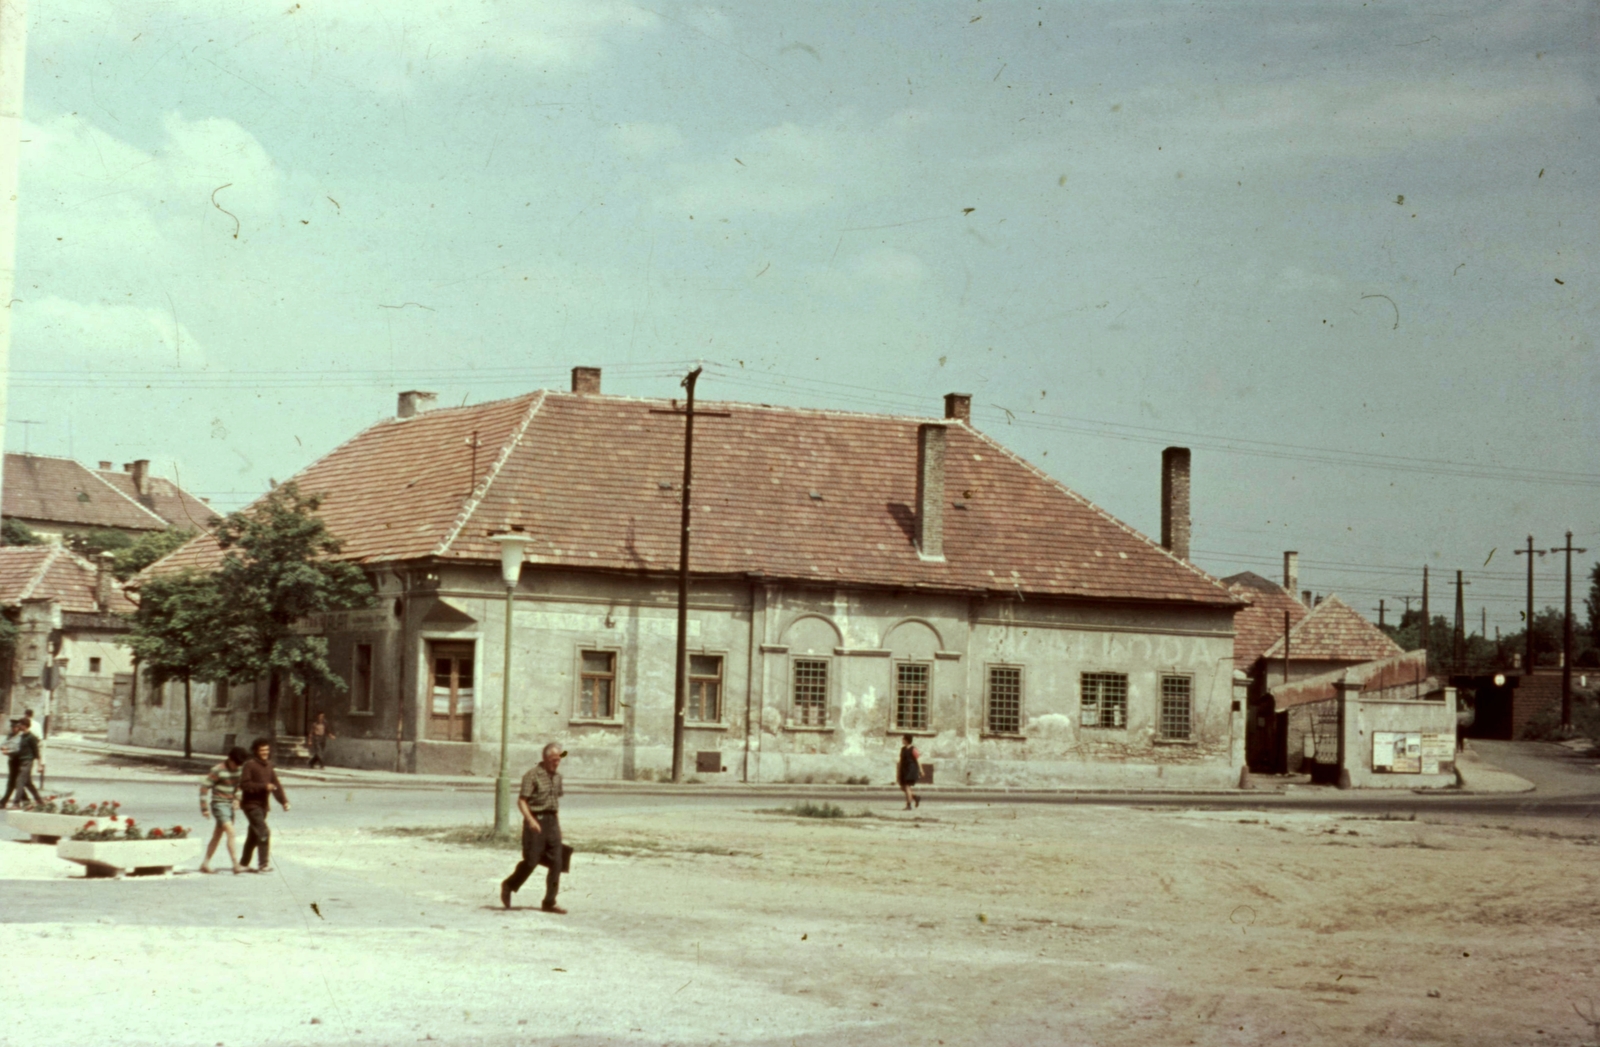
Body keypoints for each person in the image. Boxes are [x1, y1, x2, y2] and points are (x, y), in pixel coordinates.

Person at [500, 743, 567, 914]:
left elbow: (554, 801)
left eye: (559, 759)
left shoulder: (558, 777)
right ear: (545, 758)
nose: (556, 763)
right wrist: (530, 820)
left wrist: (556, 826)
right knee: (531, 861)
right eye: (553, 760)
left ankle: (549, 902)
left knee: (557, 863)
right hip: (535, 821)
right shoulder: (532, 775)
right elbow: (522, 801)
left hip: (552, 822)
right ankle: (509, 885)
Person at [238, 738, 289, 873]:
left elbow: (276, 785)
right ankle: (263, 864)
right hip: (251, 805)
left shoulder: (268, 766)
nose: (265, 752)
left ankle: (243, 863)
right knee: (264, 832)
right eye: (262, 750)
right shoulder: (250, 765)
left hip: (263, 806)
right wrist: (263, 786)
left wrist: (284, 801)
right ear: (255, 751)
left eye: (267, 750)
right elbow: (245, 785)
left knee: (254, 836)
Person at [199, 746, 251, 875]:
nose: (237, 767)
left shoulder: (239, 769)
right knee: (231, 832)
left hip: (229, 805)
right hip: (219, 804)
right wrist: (204, 808)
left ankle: (205, 863)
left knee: (217, 835)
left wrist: (237, 800)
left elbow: (238, 787)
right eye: (235, 763)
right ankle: (236, 865)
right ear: (230, 759)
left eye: (240, 764)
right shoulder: (217, 770)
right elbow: (204, 788)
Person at [2, 718, 43, 807]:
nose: (19, 726)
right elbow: (17, 750)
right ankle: (40, 801)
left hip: (27, 761)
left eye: (20, 725)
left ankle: (16, 803)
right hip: (21, 761)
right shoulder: (22, 736)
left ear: (25, 726)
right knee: (28, 783)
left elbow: (36, 752)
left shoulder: (31, 737)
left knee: (19, 781)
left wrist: (39, 765)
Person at [1, 720, 26, 807]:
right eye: (12, 727)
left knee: (12, 782)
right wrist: (3, 747)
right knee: (15, 782)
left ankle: (3, 802)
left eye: (15, 727)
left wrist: (8, 751)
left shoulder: (21, 736)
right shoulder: (10, 736)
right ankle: (26, 800)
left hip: (18, 761)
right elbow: (3, 744)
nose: (13, 729)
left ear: (18, 727)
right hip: (11, 761)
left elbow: (18, 749)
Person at [897, 734, 922, 810]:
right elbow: (901, 760)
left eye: (903, 739)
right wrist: (898, 771)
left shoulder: (913, 749)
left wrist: (921, 770)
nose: (902, 740)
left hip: (911, 769)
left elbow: (918, 760)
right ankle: (915, 797)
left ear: (907, 740)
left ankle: (909, 805)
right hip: (904, 769)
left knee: (907, 787)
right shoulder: (903, 749)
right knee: (903, 787)